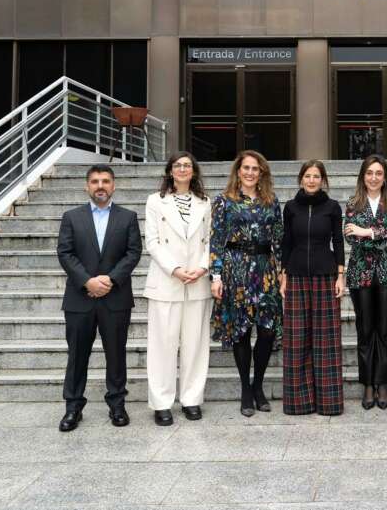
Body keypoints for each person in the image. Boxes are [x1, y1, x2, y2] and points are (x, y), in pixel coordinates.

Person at [56, 165, 142, 432]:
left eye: (105, 181)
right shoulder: (72, 217)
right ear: (87, 186)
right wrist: (87, 281)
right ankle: (73, 408)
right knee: (77, 355)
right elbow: (65, 252)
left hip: (115, 298)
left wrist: (110, 280)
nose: (100, 185)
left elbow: (133, 252)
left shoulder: (128, 217)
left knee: (116, 355)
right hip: (79, 299)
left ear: (113, 185)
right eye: (95, 181)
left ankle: (117, 405)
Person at [210, 150, 283, 418]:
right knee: (241, 331)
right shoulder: (224, 201)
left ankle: (258, 386)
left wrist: (282, 272)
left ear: (261, 173)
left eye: (256, 169)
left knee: (266, 331)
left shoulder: (271, 201)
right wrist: (215, 277)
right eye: (246, 168)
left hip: (265, 272)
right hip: (235, 271)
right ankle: (245, 389)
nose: (251, 173)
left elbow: (278, 239)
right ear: (238, 171)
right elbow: (216, 241)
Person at [143, 152, 212, 426]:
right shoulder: (155, 201)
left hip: (197, 281)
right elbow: (153, 242)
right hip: (166, 281)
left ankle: (192, 399)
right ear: (170, 171)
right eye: (178, 166)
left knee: (196, 344)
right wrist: (175, 269)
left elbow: (211, 240)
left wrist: (201, 267)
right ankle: (161, 402)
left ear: (193, 171)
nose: (183, 169)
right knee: (163, 345)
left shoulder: (205, 203)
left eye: (187, 166)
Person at [280, 160, 346, 416]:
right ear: (301, 179)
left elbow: (338, 241)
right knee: (296, 340)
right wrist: (283, 275)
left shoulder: (332, 207)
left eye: (316, 176)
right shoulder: (291, 207)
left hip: (325, 276)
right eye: (307, 176)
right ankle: (299, 402)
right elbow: (286, 242)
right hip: (296, 276)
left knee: (326, 341)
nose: (311, 180)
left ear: (323, 180)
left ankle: (329, 402)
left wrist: (340, 275)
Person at [344, 154, 387, 410]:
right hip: (360, 275)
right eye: (369, 173)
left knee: (384, 329)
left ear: (385, 177)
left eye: (378, 173)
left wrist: (367, 232)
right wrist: (380, 234)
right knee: (365, 329)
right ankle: (368, 383)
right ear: (363, 176)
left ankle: (381, 382)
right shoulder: (352, 203)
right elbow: (350, 237)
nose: (373, 178)